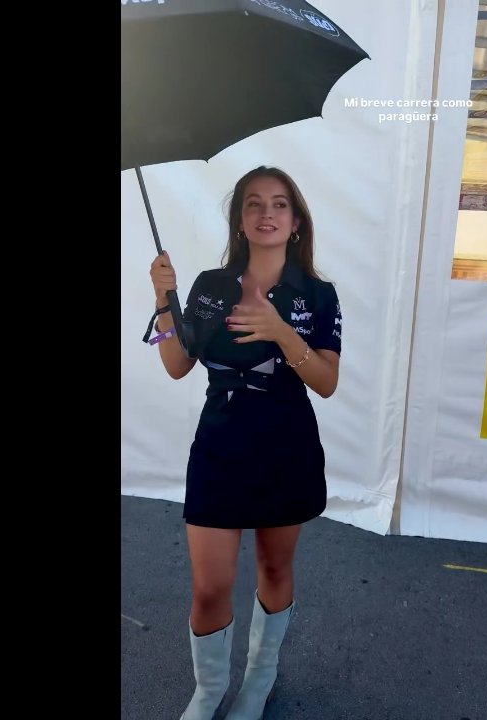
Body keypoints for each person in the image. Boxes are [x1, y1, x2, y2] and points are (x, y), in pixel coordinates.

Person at [146, 166, 342, 720]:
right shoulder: (211, 286)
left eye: (279, 204)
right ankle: (209, 691)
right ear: (239, 220)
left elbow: (326, 382)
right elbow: (177, 364)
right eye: (253, 204)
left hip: (286, 444)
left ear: (296, 221)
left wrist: (280, 329)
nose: (266, 213)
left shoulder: (318, 294)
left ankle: (259, 679)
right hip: (220, 444)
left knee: (274, 570)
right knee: (210, 587)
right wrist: (164, 300)